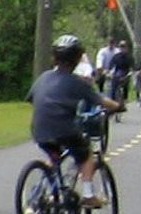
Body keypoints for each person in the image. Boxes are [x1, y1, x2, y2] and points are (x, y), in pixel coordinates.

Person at [31, 34, 107, 187]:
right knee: (86, 155)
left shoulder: (44, 77)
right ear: (78, 59)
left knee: (54, 154)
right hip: (64, 130)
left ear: (54, 58)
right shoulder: (77, 82)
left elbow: (32, 98)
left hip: (39, 130)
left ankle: (48, 191)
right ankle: (88, 194)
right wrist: (119, 106)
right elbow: (102, 101)